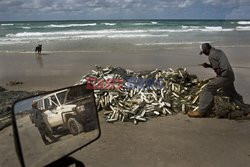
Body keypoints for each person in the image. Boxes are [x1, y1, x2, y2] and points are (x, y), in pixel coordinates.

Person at [187, 43, 244, 118]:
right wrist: (209, 66)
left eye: (204, 52)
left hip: (224, 76)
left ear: (206, 50)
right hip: (230, 75)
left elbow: (218, 71)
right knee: (232, 94)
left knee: (208, 88)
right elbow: (220, 65)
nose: (204, 54)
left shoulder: (211, 56)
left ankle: (201, 111)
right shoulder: (218, 51)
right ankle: (247, 110)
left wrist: (216, 78)